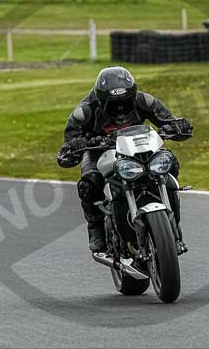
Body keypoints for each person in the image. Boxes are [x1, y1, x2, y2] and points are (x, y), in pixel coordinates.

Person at [57, 67, 193, 253]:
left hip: (138, 145)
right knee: (89, 182)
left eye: (125, 103)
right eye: (114, 105)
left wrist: (178, 126)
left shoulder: (144, 100)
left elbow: (169, 122)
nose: (120, 110)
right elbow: (65, 153)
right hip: (100, 150)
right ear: (101, 100)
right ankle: (96, 228)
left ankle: (173, 227)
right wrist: (76, 145)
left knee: (169, 162)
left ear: (133, 96)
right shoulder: (85, 111)